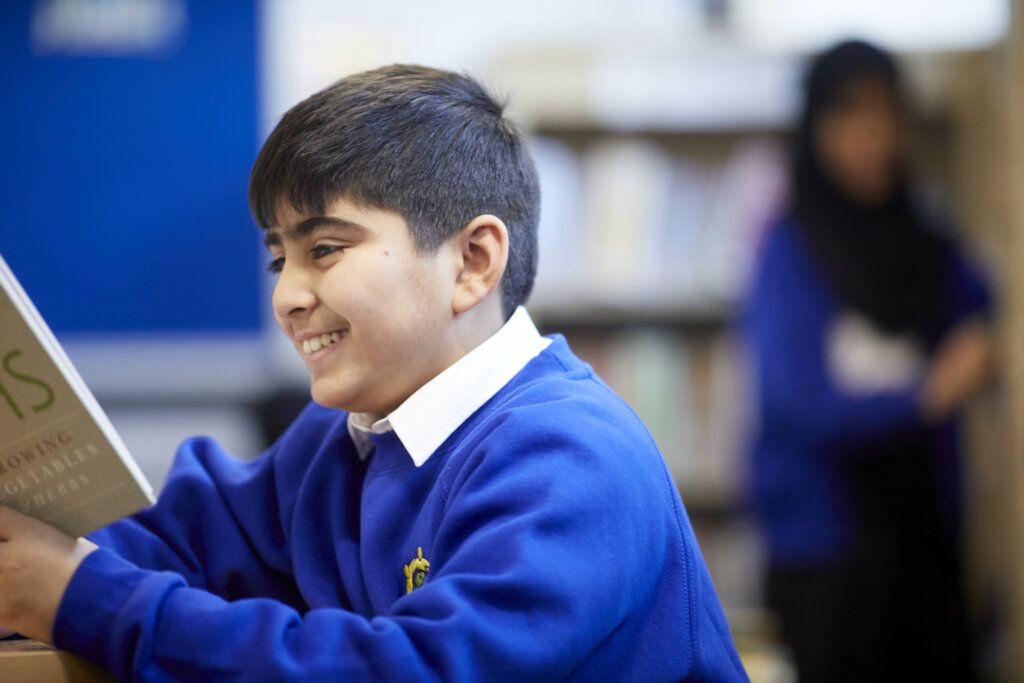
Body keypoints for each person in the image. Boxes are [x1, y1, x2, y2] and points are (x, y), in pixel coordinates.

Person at [0, 65, 748, 681]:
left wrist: (84, 595)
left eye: (325, 248)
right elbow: (185, 541)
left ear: (474, 261)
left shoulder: (571, 456)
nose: (288, 295)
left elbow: (412, 669)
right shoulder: (343, 435)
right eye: (277, 257)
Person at [744, 40, 994, 682]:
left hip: (923, 537)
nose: (874, 137)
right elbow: (796, 403)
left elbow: (983, 316)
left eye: (889, 116)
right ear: (816, 125)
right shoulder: (788, 249)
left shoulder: (925, 237)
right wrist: (926, 394)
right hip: (826, 550)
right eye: (851, 116)